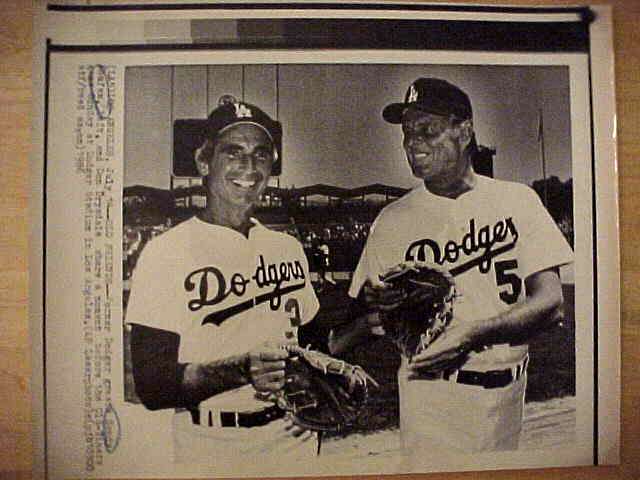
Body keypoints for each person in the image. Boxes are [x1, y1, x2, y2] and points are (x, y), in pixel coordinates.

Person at [330, 78, 573, 459]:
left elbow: (552, 303)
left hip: (511, 392)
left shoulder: (518, 200)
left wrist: (472, 334)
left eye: (427, 130)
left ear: (465, 131)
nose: (413, 143)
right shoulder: (392, 220)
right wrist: (378, 306)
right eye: (408, 133)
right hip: (433, 396)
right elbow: (360, 318)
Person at [126, 97, 320, 467]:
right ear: (204, 161)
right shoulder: (166, 251)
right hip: (213, 445)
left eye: (261, 155)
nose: (249, 167)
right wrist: (242, 369)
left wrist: (367, 321)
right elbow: (152, 386)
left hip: (295, 442)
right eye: (233, 153)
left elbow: (312, 347)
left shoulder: (287, 248)